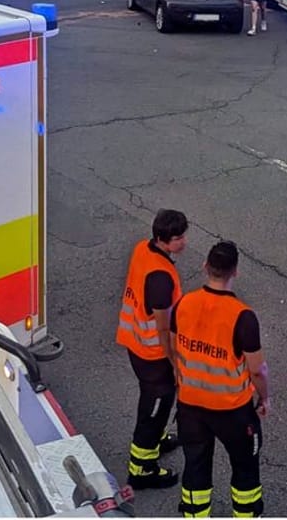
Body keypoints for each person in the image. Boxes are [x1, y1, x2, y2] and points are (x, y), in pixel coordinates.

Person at [170, 241, 270, 518]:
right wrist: (264, 397)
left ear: (205, 266)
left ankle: (194, 514)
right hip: (233, 411)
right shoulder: (243, 317)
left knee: (196, 467)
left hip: (190, 406)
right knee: (245, 469)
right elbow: (257, 370)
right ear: (235, 272)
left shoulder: (184, 303)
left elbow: (174, 347)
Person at [118, 210, 188, 491]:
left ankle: (157, 441)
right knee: (154, 410)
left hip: (135, 343)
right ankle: (142, 469)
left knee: (156, 407)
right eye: (178, 238)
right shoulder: (160, 277)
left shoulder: (143, 249)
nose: (183, 242)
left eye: (183, 235)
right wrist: (174, 361)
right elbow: (163, 329)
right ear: (162, 239)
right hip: (153, 355)